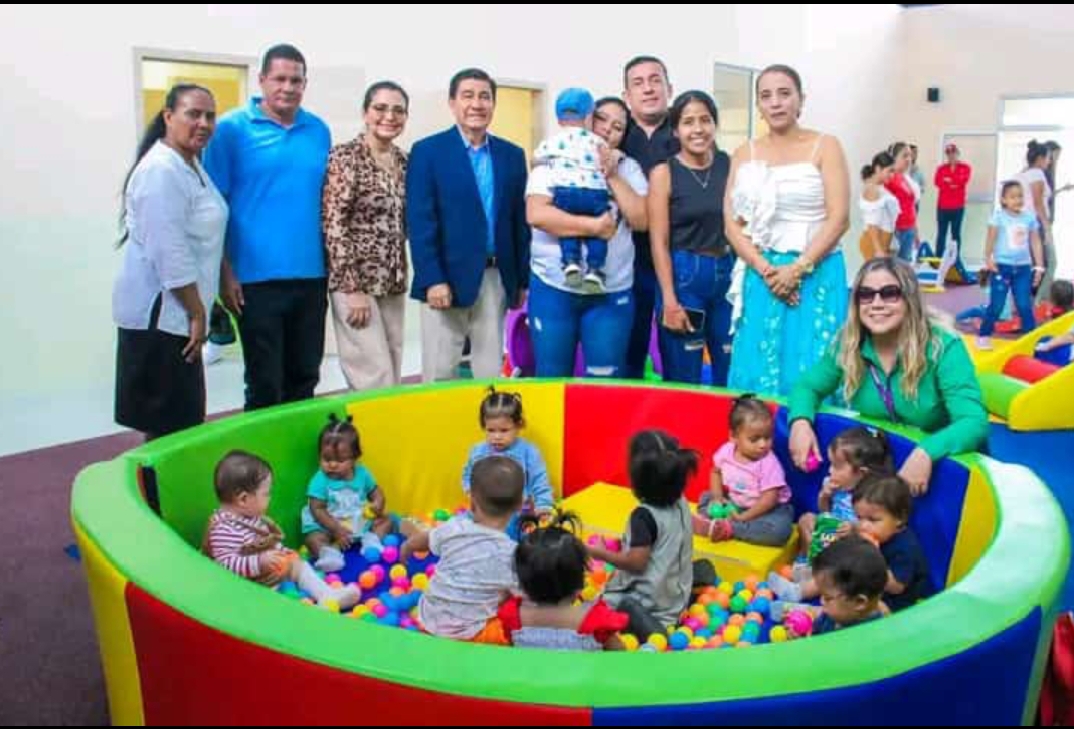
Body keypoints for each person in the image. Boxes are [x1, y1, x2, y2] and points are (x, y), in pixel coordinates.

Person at [789, 258, 989, 495]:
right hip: (883, 472)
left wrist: (926, 452)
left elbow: (973, 421)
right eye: (866, 295)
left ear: (909, 299)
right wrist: (800, 422)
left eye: (889, 293)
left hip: (947, 472)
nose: (876, 303)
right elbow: (807, 386)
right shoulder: (849, 343)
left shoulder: (943, 346)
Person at [203, 44, 332, 411]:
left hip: (311, 277)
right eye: (279, 79)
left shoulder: (318, 130)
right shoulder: (229, 130)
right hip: (253, 281)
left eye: (296, 80)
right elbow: (212, 208)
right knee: (265, 382)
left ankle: (297, 446)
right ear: (261, 80)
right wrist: (224, 273)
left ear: (305, 83)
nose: (288, 87)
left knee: (305, 377)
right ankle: (259, 452)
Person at [726, 64, 850, 398]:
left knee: (813, 358)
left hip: (817, 269)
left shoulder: (826, 145)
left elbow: (839, 218)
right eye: (766, 96)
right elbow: (732, 224)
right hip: (761, 272)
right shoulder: (744, 153)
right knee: (758, 361)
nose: (776, 102)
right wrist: (768, 271)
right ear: (758, 105)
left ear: (801, 99)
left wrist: (797, 269)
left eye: (784, 93)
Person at [113, 84, 227, 441]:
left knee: (182, 421)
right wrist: (197, 312)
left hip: (180, 316)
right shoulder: (161, 170)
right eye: (193, 114)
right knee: (167, 427)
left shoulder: (190, 165)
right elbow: (169, 251)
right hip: (162, 318)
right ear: (168, 116)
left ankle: (164, 479)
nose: (203, 123)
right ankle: (151, 481)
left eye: (210, 116)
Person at [406, 68, 530, 382]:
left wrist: (521, 280)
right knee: (440, 372)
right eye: (468, 96)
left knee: (489, 373)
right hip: (445, 281)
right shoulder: (428, 152)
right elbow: (421, 222)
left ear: (493, 104)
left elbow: (519, 221)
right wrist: (432, 278)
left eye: (485, 97)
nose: (477, 104)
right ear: (452, 103)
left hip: (496, 278)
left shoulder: (511, 155)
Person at [526, 96, 648, 378]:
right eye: (602, 119)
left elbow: (641, 220)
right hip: (553, 286)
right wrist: (595, 228)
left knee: (605, 380)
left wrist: (612, 174)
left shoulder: (628, 168)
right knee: (551, 377)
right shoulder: (555, 157)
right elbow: (537, 215)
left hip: (611, 291)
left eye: (618, 127)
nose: (607, 129)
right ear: (588, 118)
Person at [322, 81, 410, 390]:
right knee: (372, 374)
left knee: (393, 367)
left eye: (398, 110)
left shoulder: (405, 161)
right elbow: (334, 223)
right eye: (380, 108)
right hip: (356, 282)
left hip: (393, 280)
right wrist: (352, 289)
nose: (389, 116)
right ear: (365, 112)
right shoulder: (345, 157)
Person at [649, 91, 734, 386]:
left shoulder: (729, 164)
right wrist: (670, 301)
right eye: (688, 122)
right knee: (684, 377)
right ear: (675, 130)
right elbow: (658, 241)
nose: (698, 129)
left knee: (731, 372)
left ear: (714, 124)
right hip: (684, 279)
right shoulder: (664, 173)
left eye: (705, 120)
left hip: (727, 276)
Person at [203, 450, 361, 609]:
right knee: (273, 599)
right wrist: (260, 561)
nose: (269, 497)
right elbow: (226, 566)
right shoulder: (223, 529)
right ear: (243, 499)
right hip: (244, 589)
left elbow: (265, 543)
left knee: (298, 565)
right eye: (266, 494)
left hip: (264, 577)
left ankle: (326, 595)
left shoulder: (250, 517)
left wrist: (281, 553)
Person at [589, 430, 698, 642]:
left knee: (606, 604)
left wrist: (601, 553)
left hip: (655, 606)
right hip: (678, 595)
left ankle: (649, 628)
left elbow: (636, 563)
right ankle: (695, 583)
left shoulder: (643, 517)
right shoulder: (681, 502)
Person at [402, 456, 524, 645]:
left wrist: (408, 546)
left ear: (472, 502)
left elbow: (425, 539)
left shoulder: (454, 528)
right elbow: (522, 594)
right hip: (472, 634)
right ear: (519, 506)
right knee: (514, 617)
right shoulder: (512, 554)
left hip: (428, 620)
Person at [620, 55, 680, 379]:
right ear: (627, 96)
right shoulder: (616, 135)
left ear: (669, 88)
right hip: (626, 262)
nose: (648, 89)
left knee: (678, 354)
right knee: (628, 353)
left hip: (678, 259)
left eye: (655, 80)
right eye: (638, 83)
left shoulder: (687, 133)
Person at [498, 511, 629, 651]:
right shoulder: (595, 619)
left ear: (523, 586)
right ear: (580, 585)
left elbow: (513, 649)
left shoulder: (514, 616)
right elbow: (619, 655)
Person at [532, 87, 610, 291]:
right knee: (598, 234)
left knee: (566, 226)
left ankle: (571, 263)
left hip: (566, 191)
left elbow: (536, 159)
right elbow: (607, 161)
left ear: (559, 119)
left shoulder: (552, 142)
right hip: (595, 192)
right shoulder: (597, 141)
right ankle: (595, 270)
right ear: (589, 117)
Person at [691, 395, 793, 546]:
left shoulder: (769, 463)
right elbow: (716, 472)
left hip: (768, 510)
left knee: (779, 531)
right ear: (733, 436)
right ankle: (714, 522)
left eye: (768, 437)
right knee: (706, 497)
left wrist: (744, 517)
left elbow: (769, 499)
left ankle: (730, 528)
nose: (763, 444)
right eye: (754, 439)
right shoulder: (726, 452)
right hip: (736, 503)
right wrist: (718, 498)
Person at [300, 415, 394, 573]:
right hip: (328, 524)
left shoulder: (362, 474)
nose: (332, 464)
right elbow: (317, 509)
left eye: (340, 460)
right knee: (313, 538)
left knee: (386, 521)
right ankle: (329, 554)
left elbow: (376, 491)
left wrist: (378, 503)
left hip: (358, 520)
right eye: (326, 459)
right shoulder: (319, 480)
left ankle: (371, 541)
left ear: (354, 459)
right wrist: (335, 529)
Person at [462, 387, 553, 539]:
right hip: (484, 511)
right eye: (491, 430)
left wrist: (543, 506)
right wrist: (471, 491)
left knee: (518, 536)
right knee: (464, 527)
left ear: (519, 425)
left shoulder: (528, 452)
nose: (497, 437)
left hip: (516, 512)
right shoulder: (478, 451)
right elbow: (468, 474)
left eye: (504, 430)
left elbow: (540, 481)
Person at [976, 180, 1044, 351]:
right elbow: (991, 238)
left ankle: (1031, 338)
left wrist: (1039, 266)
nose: (1017, 200)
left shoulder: (1029, 217)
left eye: (1020, 196)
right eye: (1013, 197)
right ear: (1004, 200)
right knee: (997, 305)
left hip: (1023, 268)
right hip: (1002, 267)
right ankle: (984, 335)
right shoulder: (998, 217)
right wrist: (988, 258)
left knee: (1024, 304)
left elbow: (1035, 242)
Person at [808, 535, 889, 635]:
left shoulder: (866, 636)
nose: (821, 601)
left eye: (827, 598)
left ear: (859, 602)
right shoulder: (839, 614)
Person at [934, 142, 972, 261]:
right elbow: (937, 182)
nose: (951, 155)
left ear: (957, 153)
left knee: (955, 234)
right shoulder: (941, 169)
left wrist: (948, 181)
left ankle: (955, 258)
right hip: (943, 206)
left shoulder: (965, 167)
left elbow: (963, 181)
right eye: (948, 153)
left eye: (953, 153)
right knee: (941, 233)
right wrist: (953, 183)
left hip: (957, 207)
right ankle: (938, 258)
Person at [859, 151, 900, 261]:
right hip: (874, 246)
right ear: (878, 169)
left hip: (883, 243)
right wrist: (879, 251)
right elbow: (872, 224)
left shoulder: (879, 187)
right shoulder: (872, 189)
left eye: (893, 171)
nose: (892, 175)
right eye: (890, 171)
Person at [885, 142, 918, 262]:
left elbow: (911, 206)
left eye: (910, 155)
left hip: (908, 230)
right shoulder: (888, 178)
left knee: (905, 267)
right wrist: (890, 235)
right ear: (893, 158)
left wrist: (916, 233)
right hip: (896, 231)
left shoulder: (904, 178)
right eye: (904, 156)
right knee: (893, 267)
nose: (909, 159)